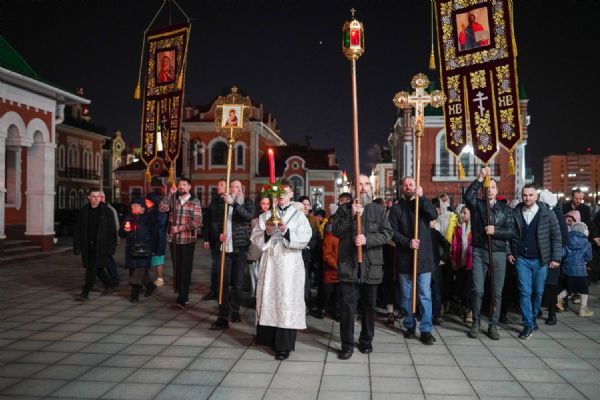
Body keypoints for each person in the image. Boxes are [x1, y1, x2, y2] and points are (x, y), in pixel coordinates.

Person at [331, 175, 393, 359]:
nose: (363, 187)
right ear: (352, 188)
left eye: (367, 184)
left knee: (369, 307)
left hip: (371, 266)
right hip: (349, 267)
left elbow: (387, 233)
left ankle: (366, 341)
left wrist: (368, 240)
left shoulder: (377, 209)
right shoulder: (344, 209)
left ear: (371, 188)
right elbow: (335, 230)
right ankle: (347, 345)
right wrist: (351, 216)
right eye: (359, 184)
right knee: (347, 309)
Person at [252, 180, 312, 360]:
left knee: (286, 300)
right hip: (271, 263)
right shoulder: (267, 215)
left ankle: (284, 346)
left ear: (291, 194)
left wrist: (286, 232)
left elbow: (305, 236)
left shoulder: (299, 216)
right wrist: (267, 232)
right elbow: (255, 237)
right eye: (279, 193)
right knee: (269, 297)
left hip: (289, 265)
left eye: (285, 192)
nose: (281, 196)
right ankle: (267, 338)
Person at [463, 167, 514, 340]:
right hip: (479, 250)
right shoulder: (477, 205)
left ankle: (493, 324)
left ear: (497, 190)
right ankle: (476, 322)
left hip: (498, 252)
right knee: (477, 289)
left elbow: (511, 232)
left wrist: (496, 231)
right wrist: (480, 178)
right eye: (487, 187)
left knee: (496, 292)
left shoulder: (505, 209)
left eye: (493, 187)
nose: (490, 190)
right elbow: (467, 196)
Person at [388, 176, 438, 345]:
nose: (408, 187)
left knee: (425, 295)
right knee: (407, 295)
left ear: (416, 186)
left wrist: (422, 198)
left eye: (411, 184)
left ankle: (426, 330)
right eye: (405, 185)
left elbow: (433, 215)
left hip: (423, 259)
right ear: (402, 188)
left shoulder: (422, 204)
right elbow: (392, 232)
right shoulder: (396, 209)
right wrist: (407, 242)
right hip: (405, 258)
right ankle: (409, 325)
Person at [509, 184, 562, 339]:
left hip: (541, 259)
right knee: (524, 291)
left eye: (531, 195)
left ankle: (532, 318)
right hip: (521, 259)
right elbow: (508, 234)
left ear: (536, 196)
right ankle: (528, 324)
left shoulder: (547, 214)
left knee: (538, 292)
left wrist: (555, 257)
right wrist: (509, 252)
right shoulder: (515, 212)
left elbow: (556, 236)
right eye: (525, 195)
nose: (527, 198)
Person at [211, 180, 255, 329]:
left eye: (238, 187)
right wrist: (218, 234)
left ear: (241, 189)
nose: (235, 189)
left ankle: (235, 310)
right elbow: (214, 222)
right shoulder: (220, 203)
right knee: (223, 282)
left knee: (238, 282)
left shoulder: (247, 203)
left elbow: (248, 216)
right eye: (233, 187)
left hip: (240, 247)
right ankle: (223, 314)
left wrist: (234, 204)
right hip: (224, 248)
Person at [159, 177, 202, 309]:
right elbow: (162, 208)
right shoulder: (173, 199)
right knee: (177, 267)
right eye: (180, 184)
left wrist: (180, 228)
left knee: (185, 268)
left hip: (188, 240)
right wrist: (169, 194)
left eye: (184, 184)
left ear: (189, 187)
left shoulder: (195, 201)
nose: (181, 186)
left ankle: (182, 297)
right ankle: (182, 293)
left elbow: (197, 222)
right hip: (174, 240)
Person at [73, 188, 117, 301]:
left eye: (98, 196)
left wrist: (112, 247)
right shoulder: (84, 211)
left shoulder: (107, 212)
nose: (97, 199)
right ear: (89, 197)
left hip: (101, 246)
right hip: (88, 245)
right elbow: (78, 229)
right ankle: (108, 285)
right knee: (97, 267)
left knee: (91, 268)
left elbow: (112, 231)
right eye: (94, 196)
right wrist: (77, 245)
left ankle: (85, 292)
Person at [538, 190, 568, 325]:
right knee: (539, 284)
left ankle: (552, 312)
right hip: (541, 255)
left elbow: (563, 237)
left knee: (550, 285)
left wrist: (554, 255)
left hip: (552, 256)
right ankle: (539, 309)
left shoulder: (556, 214)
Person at [119, 197, 156, 303]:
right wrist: (124, 230)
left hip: (144, 250)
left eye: (137, 206)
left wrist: (154, 248)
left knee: (138, 272)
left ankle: (134, 295)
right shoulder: (128, 218)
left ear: (142, 208)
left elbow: (154, 234)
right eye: (133, 205)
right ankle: (150, 286)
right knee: (134, 271)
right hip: (131, 250)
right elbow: (121, 233)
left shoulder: (148, 218)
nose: (134, 207)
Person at [557, 222, 594, 317]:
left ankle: (559, 297)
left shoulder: (567, 241)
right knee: (584, 290)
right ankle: (583, 309)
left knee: (570, 287)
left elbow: (562, 253)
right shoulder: (587, 243)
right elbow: (589, 257)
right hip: (581, 270)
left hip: (567, 269)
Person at [202, 179, 227, 301]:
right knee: (215, 265)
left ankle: (224, 291)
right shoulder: (213, 201)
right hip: (214, 238)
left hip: (226, 238)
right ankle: (214, 291)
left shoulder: (229, 201)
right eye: (217, 185)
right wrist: (206, 238)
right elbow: (208, 220)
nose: (218, 186)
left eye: (221, 185)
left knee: (225, 266)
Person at [449, 204, 474, 323]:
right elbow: (455, 245)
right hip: (461, 262)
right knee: (460, 286)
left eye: (465, 213)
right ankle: (465, 308)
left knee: (468, 288)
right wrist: (454, 259)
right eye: (462, 212)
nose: (462, 215)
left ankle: (470, 310)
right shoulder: (459, 228)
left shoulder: (474, 229)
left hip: (471, 263)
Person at [145, 193, 167, 287]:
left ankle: (160, 279)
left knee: (158, 259)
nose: (146, 203)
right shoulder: (150, 210)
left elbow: (159, 224)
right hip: (152, 238)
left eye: (148, 201)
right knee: (154, 259)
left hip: (158, 239)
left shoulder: (159, 212)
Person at [100, 191, 120, 288]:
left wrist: (115, 241)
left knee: (108, 260)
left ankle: (114, 279)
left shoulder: (110, 210)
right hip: (99, 241)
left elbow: (116, 226)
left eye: (102, 197)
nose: (100, 199)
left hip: (108, 241)